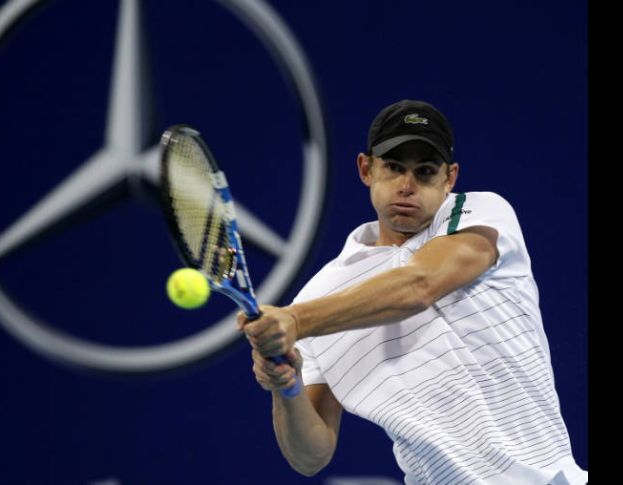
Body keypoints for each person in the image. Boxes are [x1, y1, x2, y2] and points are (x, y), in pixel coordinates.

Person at [237, 100, 588, 485]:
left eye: (424, 172)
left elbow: (419, 284)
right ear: (366, 169)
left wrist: (296, 320)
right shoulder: (319, 296)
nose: (407, 186)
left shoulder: (481, 213)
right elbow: (311, 456)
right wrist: (287, 388)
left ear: (449, 179)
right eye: (393, 167)